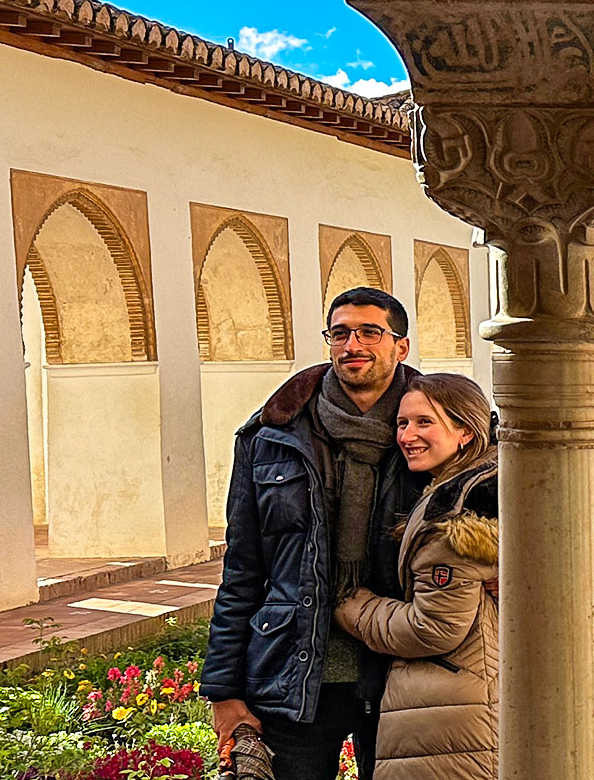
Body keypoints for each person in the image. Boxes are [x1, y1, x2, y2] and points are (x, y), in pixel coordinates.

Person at [204, 287, 428, 780]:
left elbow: (495, 528)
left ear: (401, 346)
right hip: (295, 672)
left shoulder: (436, 430)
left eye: (371, 332)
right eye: (341, 333)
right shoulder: (272, 435)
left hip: (407, 672)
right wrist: (224, 690)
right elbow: (243, 568)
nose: (353, 344)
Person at [337, 373, 501, 780]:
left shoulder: (455, 518)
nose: (408, 435)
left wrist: (349, 604)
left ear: (465, 431)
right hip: (464, 704)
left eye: (424, 422)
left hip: (453, 718)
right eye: (402, 423)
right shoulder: (490, 485)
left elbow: (432, 629)